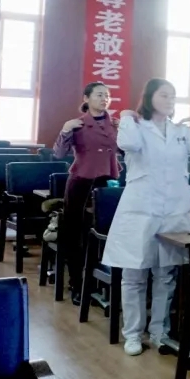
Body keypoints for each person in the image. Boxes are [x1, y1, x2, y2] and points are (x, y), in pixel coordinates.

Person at [101, 78, 190, 356]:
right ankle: (132, 333)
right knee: (134, 275)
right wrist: (127, 117)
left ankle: (159, 331)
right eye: (164, 95)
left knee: (165, 275)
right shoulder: (137, 127)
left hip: (174, 210)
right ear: (150, 97)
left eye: (173, 96)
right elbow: (128, 143)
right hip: (140, 208)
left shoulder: (179, 131)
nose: (170, 100)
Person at [54, 81, 121, 305]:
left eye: (107, 95)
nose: (104, 99)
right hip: (82, 181)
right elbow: (59, 153)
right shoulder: (77, 124)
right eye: (99, 95)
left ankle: (101, 282)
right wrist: (65, 130)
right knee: (77, 233)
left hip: (107, 181)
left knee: (106, 232)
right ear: (86, 98)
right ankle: (77, 283)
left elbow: (125, 149)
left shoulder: (116, 125)